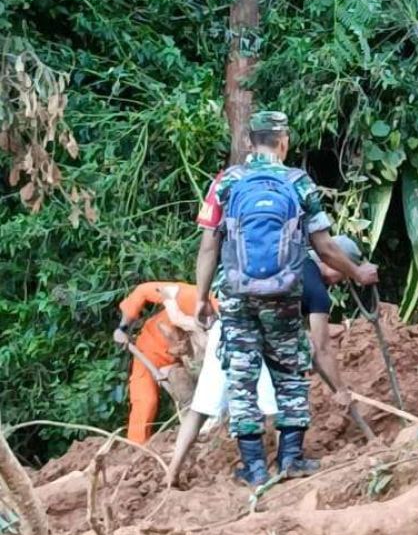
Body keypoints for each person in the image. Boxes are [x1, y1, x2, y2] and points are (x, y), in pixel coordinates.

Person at [193, 110, 378, 486]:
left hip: (237, 295)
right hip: (284, 293)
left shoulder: (226, 183)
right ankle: (290, 459)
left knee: (242, 377)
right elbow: (324, 247)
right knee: (290, 375)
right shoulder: (298, 183)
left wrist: (200, 297)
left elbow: (208, 246)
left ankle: (254, 466)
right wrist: (357, 272)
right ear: (284, 142)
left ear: (250, 142)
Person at [112, 282, 208, 444]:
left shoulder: (229, 323)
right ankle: (136, 447)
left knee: (190, 391)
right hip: (151, 350)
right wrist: (123, 327)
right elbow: (142, 291)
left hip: (187, 359)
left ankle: (201, 431)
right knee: (146, 401)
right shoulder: (187, 295)